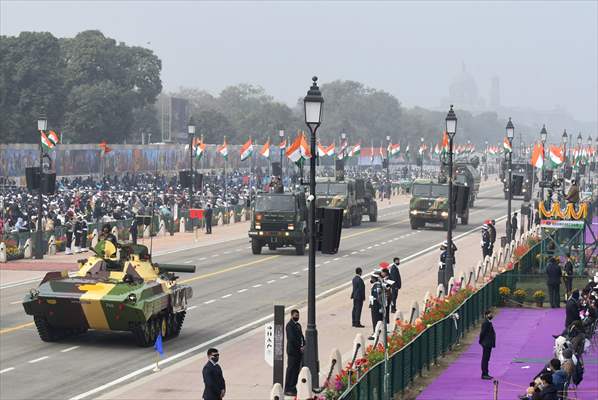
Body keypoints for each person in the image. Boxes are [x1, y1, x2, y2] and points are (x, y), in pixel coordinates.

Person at [284, 309, 305, 397]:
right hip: (293, 352)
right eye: (295, 315)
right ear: (292, 315)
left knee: (296, 370)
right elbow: (292, 339)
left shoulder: (298, 325)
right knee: (291, 369)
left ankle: (293, 387)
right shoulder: (289, 326)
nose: (297, 317)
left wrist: (304, 344)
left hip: (299, 352)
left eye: (298, 315)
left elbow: (301, 336)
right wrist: (299, 347)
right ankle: (288, 388)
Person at [479, 309, 496, 380]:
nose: (491, 315)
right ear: (486, 315)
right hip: (486, 343)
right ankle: (484, 374)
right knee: (485, 359)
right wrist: (481, 341)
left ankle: (486, 373)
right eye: (490, 314)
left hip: (488, 343)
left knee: (486, 359)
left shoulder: (488, 322)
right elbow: (482, 333)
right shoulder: (486, 323)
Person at [368, 272, 383, 340]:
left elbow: (378, 297)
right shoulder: (377, 285)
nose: (371, 279)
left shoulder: (377, 286)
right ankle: (376, 332)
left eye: (372, 278)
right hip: (374, 304)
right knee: (376, 320)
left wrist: (380, 307)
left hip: (376, 306)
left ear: (374, 279)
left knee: (375, 320)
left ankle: (375, 334)